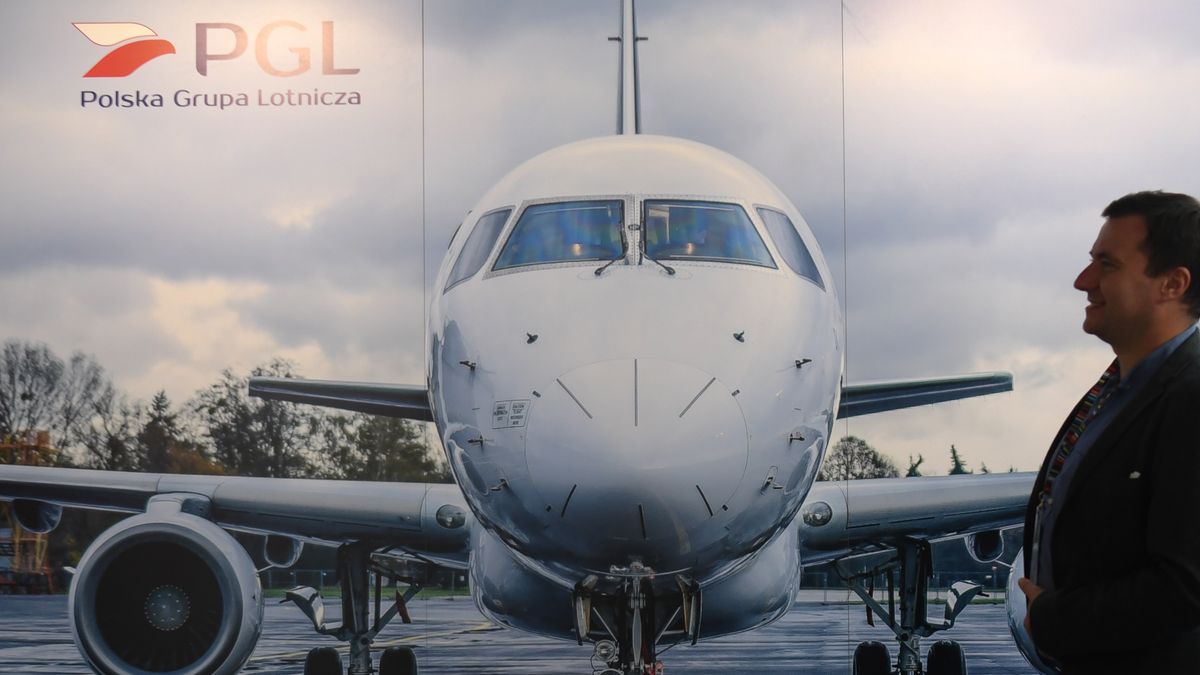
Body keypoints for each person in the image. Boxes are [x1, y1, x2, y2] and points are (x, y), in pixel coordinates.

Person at [1017, 190, 1200, 673]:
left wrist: (1053, 619)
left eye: (1107, 265)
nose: (1083, 281)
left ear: (1172, 284)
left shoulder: (1191, 397)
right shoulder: (1121, 391)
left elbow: (1186, 587)